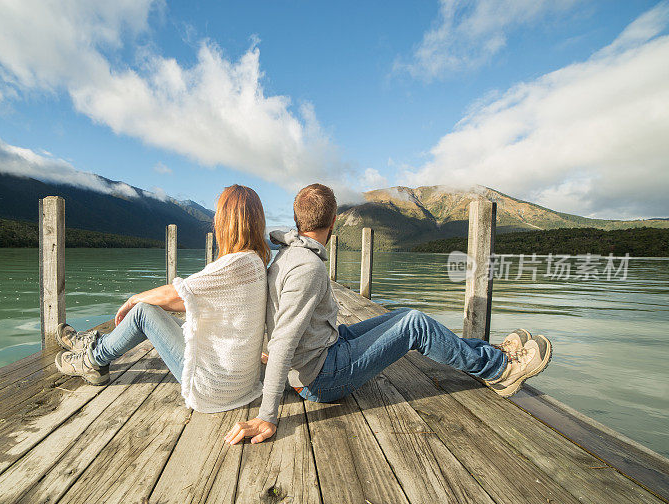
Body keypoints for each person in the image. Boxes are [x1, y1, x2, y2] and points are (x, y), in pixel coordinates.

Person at [224, 183, 552, 445]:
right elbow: (282, 340)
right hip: (320, 379)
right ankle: (500, 370)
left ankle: (488, 354)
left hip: (322, 351)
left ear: (298, 219)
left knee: (407, 314)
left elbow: (276, 322)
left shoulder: (288, 256)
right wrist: (267, 415)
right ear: (334, 221)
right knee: (416, 325)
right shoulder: (306, 267)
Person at [55, 185, 270, 414]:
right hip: (239, 381)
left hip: (214, 387)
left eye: (218, 215)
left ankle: (93, 360)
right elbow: (188, 301)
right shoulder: (254, 262)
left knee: (142, 312)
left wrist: (133, 300)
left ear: (226, 222)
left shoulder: (234, 264)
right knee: (169, 318)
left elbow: (175, 293)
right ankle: (95, 343)